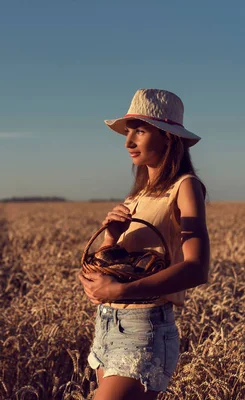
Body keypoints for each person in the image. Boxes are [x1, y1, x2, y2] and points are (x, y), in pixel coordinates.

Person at [78, 88, 211, 399]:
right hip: (107, 327)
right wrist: (111, 238)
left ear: (168, 137)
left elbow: (197, 269)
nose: (128, 142)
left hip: (143, 330)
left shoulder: (186, 187)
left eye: (139, 131)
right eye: (128, 132)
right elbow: (114, 266)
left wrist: (122, 291)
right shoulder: (136, 196)